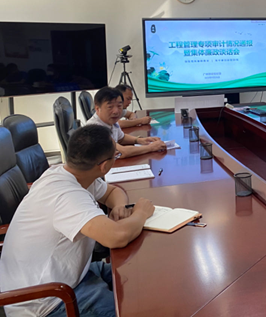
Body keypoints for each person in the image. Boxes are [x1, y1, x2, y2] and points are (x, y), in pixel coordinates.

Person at [0, 125, 156, 317]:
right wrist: (141, 213)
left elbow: (113, 192)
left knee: (146, 276)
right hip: (48, 301)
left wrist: (119, 207)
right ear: (104, 166)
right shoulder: (65, 194)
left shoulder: (72, 174)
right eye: (115, 156)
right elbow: (117, 237)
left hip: (72, 275)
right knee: (139, 310)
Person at [87, 86, 166, 158]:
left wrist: (140, 140)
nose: (116, 111)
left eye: (119, 106)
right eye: (110, 107)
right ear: (97, 109)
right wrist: (151, 147)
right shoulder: (95, 128)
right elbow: (122, 152)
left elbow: (121, 138)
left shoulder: (111, 121)